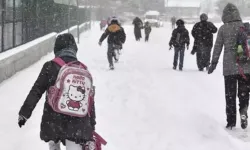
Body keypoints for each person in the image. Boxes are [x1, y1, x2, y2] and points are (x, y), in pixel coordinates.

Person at [18, 33, 96, 150]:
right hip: (78, 123)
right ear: (74, 49)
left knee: (54, 143)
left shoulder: (50, 67)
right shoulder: (82, 69)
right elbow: (89, 101)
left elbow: (36, 91)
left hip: (53, 120)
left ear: (56, 49)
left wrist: (24, 113)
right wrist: (91, 125)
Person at [208, 3, 250, 130]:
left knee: (230, 95)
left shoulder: (223, 29)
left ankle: (231, 122)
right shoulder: (245, 27)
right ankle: (243, 111)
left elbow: (217, 47)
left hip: (229, 68)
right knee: (244, 93)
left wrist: (213, 63)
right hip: (245, 67)